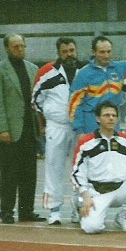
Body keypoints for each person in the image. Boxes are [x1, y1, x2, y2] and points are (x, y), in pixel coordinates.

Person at [72, 101, 126, 234]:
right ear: (98, 118)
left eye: (114, 115)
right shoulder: (86, 143)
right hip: (97, 192)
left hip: (121, 189)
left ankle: (123, 216)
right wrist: (85, 195)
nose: (111, 118)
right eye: (106, 115)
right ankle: (79, 202)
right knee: (92, 228)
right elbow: (77, 172)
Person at [0, 34, 42, 224]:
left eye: (22, 46)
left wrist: (41, 126)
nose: (20, 49)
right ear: (7, 49)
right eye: (15, 46)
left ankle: (26, 210)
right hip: (10, 131)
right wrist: (2, 129)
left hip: (30, 130)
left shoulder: (33, 69)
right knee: (9, 174)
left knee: (29, 173)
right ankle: (7, 211)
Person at [32, 37, 85, 225]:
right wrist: (43, 125)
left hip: (79, 127)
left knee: (80, 168)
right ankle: (54, 211)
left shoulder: (85, 71)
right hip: (57, 126)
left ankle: (78, 208)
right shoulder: (46, 72)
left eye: (72, 50)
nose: (69, 54)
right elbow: (36, 101)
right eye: (65, 51)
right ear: (59, 53)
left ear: (76, 50)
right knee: (54, 168)